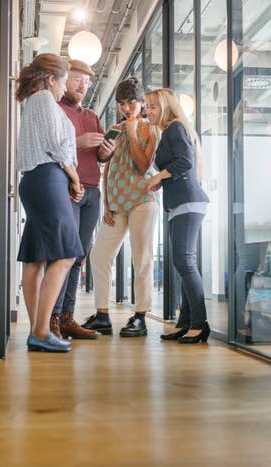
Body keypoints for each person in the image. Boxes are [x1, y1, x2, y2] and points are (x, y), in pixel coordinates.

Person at [16, 53, 84, 352]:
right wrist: (75, 178)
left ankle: (37, 330)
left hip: (36, 180)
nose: (63, 88)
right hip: (48, 178)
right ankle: (42, 331)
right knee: (67, 254)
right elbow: (56, 146)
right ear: (50, 79)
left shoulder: (33, 101)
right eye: (63, 81)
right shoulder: (44, 99)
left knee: (37, 258)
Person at [83, 77, 159, 337]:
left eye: (131, 103)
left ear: (141, 103)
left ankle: (140, 317)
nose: (126, 108)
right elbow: (108, 166)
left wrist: (132, 130)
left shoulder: (150, 129)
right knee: (99, 255)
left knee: (142, 259)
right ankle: (102, 315)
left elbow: (143, 165)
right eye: (121, 104)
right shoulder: (113, 128)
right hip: (116, 204)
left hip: (141, 201)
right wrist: (106, 202)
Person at [50, 59, 116, 340]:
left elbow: (98, 158)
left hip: (92, 189)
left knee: (78, 257)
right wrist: (79, 142)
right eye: (77, 80)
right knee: (63, 255)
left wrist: (106, 151)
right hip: (68, 188)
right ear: (65, 80)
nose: (82, 86)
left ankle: (67, 317)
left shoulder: (91, 115)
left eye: (87, 82)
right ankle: (51, 318)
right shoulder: (55, 110)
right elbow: (51, 147)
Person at [144, 88, 211, 344]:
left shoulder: (174, 128)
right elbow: (178, 165)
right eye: (146, 107)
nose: (147, 111)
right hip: (180, 202)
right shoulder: (170, 130)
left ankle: (199, 324)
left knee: (185, 262)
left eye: (152, 107)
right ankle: (184, 323)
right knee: (181, 263)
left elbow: (185, 162)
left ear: (165, 107)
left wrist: (158, 176)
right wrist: (162, 180)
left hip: (187, 201)